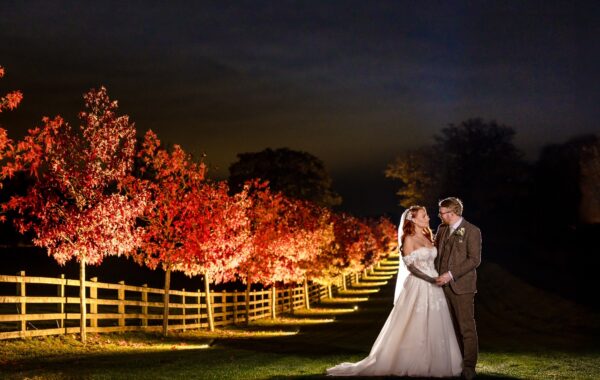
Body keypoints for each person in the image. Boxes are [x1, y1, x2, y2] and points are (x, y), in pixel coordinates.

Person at [326, 206, 462, 377]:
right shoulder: (408, 239)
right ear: (413, 220)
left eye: (426, 215)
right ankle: (412, 360)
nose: (428, 217)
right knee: (415, 323)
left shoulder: (429, 237)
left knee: (437, 322)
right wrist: (430, 279)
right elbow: (411, 267)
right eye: (424, 215)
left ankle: (437, 361)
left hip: (435, 285)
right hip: (419, 285)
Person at [435, 197, 481, 380]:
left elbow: (474, 259)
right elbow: (436, 253)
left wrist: (451, 274)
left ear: (452, 213)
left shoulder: (472, 231)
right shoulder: (441, 229)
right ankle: (455, 363)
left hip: (462, 287)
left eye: (442, 212)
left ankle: (469, 366)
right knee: (450, 328)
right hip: (441, 288)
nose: (439, 215)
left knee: (466, 327)